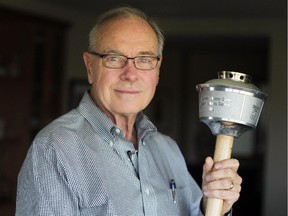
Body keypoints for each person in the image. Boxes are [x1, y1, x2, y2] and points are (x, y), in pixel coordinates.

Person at [16, 6, 242, 216]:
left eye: (144, 60)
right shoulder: (54, 149)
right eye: (114, 58)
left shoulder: (168, 150)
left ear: (158, 69)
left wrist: (216, 203)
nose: (130, 74)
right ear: (89, 67)